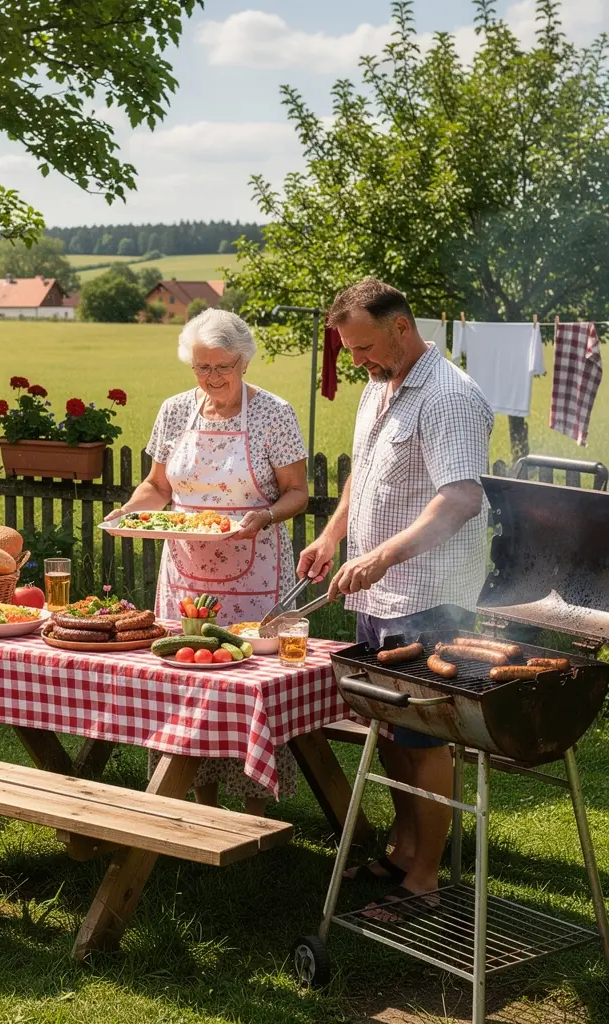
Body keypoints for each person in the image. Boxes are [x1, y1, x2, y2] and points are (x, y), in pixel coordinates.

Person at [299, 277, 493, 915]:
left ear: (401, 328)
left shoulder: (448, 396)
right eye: (350, 350)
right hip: (383, 595)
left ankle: (426, 881)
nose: (355, 360)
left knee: (423, 738)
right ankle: (404, 848)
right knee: (390, 729)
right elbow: (364, 471)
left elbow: (460, 497)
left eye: (363, 347)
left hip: (429, 594)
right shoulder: (380, 389)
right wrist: (334, 536)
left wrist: (381, 555)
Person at [107, 308, 309, 814]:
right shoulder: (176, 411)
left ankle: (256, 812)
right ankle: (196, 804)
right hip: (185, 573)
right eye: (202, 368)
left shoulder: (274, 413)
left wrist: (262, 517)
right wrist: (130, 514)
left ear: (244, 361)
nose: (212, 378)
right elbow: (158, 487)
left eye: (222, 367)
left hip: (255, 568)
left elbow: (297, 494)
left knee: (245, 683)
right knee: (185, 679)